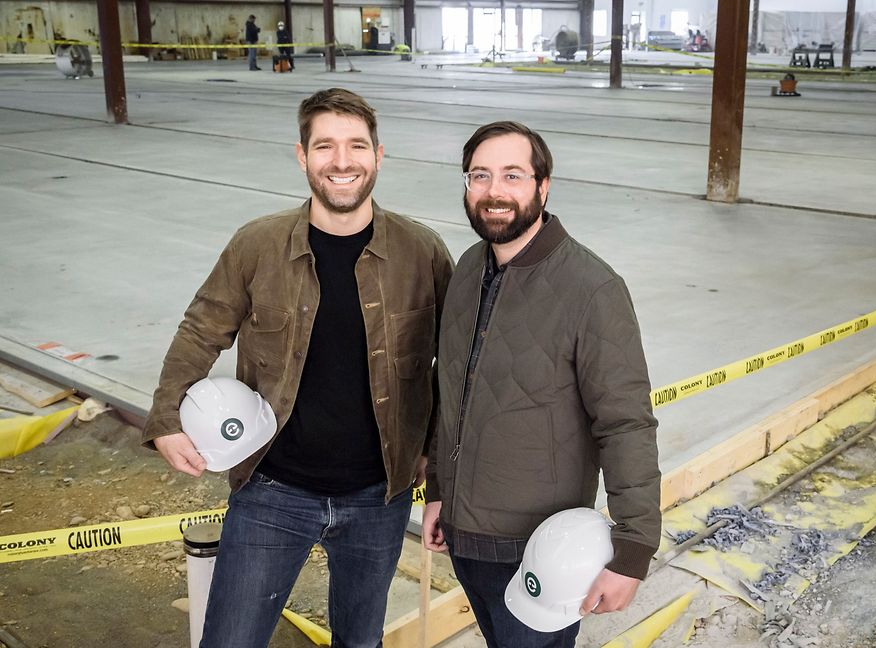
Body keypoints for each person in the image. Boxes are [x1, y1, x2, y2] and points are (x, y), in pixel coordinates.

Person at [143, 88, 454, 648]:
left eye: (357, 145)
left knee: (360, 641)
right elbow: (201, 329)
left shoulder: (422, 251)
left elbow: (451, 367)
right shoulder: (257, 245)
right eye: (325, 146)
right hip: (271, 488)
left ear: (379, 156)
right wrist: (167, 416)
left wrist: (440, 470)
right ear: (302, 155)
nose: (342, 161)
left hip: (378, 495)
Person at [422, 121, 660, 648]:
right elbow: (449, 394)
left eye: (512, 174)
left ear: (543, 185)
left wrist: (634, 547)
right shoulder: (467, 269)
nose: (494, 191)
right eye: (479, 175)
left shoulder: (593, 289)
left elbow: (625, 424)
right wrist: (439, 490)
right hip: (466, 539)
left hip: (539, 552)